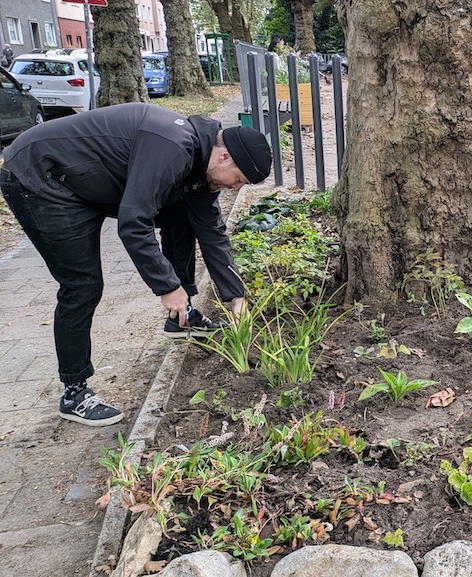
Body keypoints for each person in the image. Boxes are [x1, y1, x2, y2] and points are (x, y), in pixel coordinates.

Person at [0, 103, 272, 427]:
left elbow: (212, 233)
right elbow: (133, 223)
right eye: (238, 180)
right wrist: (168, 287)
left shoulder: (201, 167)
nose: (236, 188)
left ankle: (181, 319)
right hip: (43, 179)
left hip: (89, 180)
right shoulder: (173, 145)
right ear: (224, 157)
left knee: (185, 216)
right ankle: (74, 392)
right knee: (82, 285)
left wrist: (235, 297)